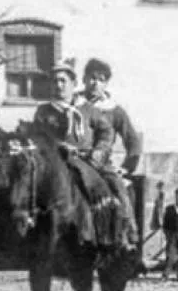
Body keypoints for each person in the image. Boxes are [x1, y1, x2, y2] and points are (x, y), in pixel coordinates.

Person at [33, 63, 118, 243]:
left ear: (73, 84)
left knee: (113, 188)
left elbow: (106, 131)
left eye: (63, 81)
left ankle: (115, 237)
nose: (59, 85)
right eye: (55, 81)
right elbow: (38, 137)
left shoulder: (88, 109)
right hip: (55, 163)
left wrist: (98, 151)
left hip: (86, 160)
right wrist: (59, 146)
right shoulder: (43, 111)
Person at [79, 58, 143, 246]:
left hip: (100, 162)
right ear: (84, 79)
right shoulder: (75, 103)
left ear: (106, 83)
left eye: (101, 79)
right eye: (92, 78)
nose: (95, 83)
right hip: (75, 157)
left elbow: (133, 141)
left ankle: (131, 231)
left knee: (119, 190)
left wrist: (127, 167)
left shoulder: (114, 110)